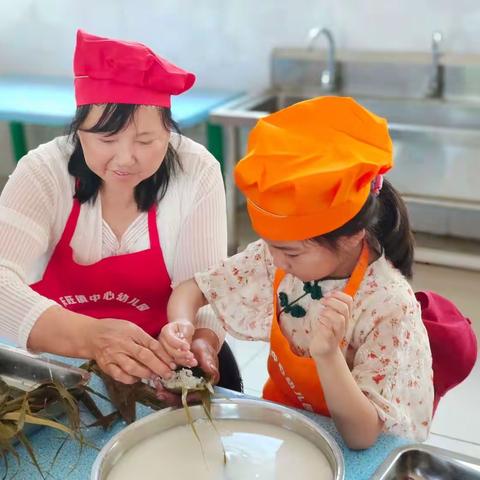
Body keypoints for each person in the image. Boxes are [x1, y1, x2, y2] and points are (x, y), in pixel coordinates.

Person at [159, 96, 434, 449]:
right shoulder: (276, 257)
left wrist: (328, 355)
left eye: (290, 251)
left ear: (351, 237)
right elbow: (192, 289)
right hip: (289, 430)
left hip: (350, 450)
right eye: (269, 245)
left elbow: (362, 436)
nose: (274, 259)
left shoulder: (388, 306)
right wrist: (181, 325)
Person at [0, 30, 227, 385]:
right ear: (79, 132)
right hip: (62, 371)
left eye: (146, 140)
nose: (125, 158)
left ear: (170, 132)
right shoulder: (43, 172)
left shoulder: (197, 172)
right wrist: (91, 338)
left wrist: (198, 343)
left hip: (160, 366)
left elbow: (205, 287)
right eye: (107, 139)